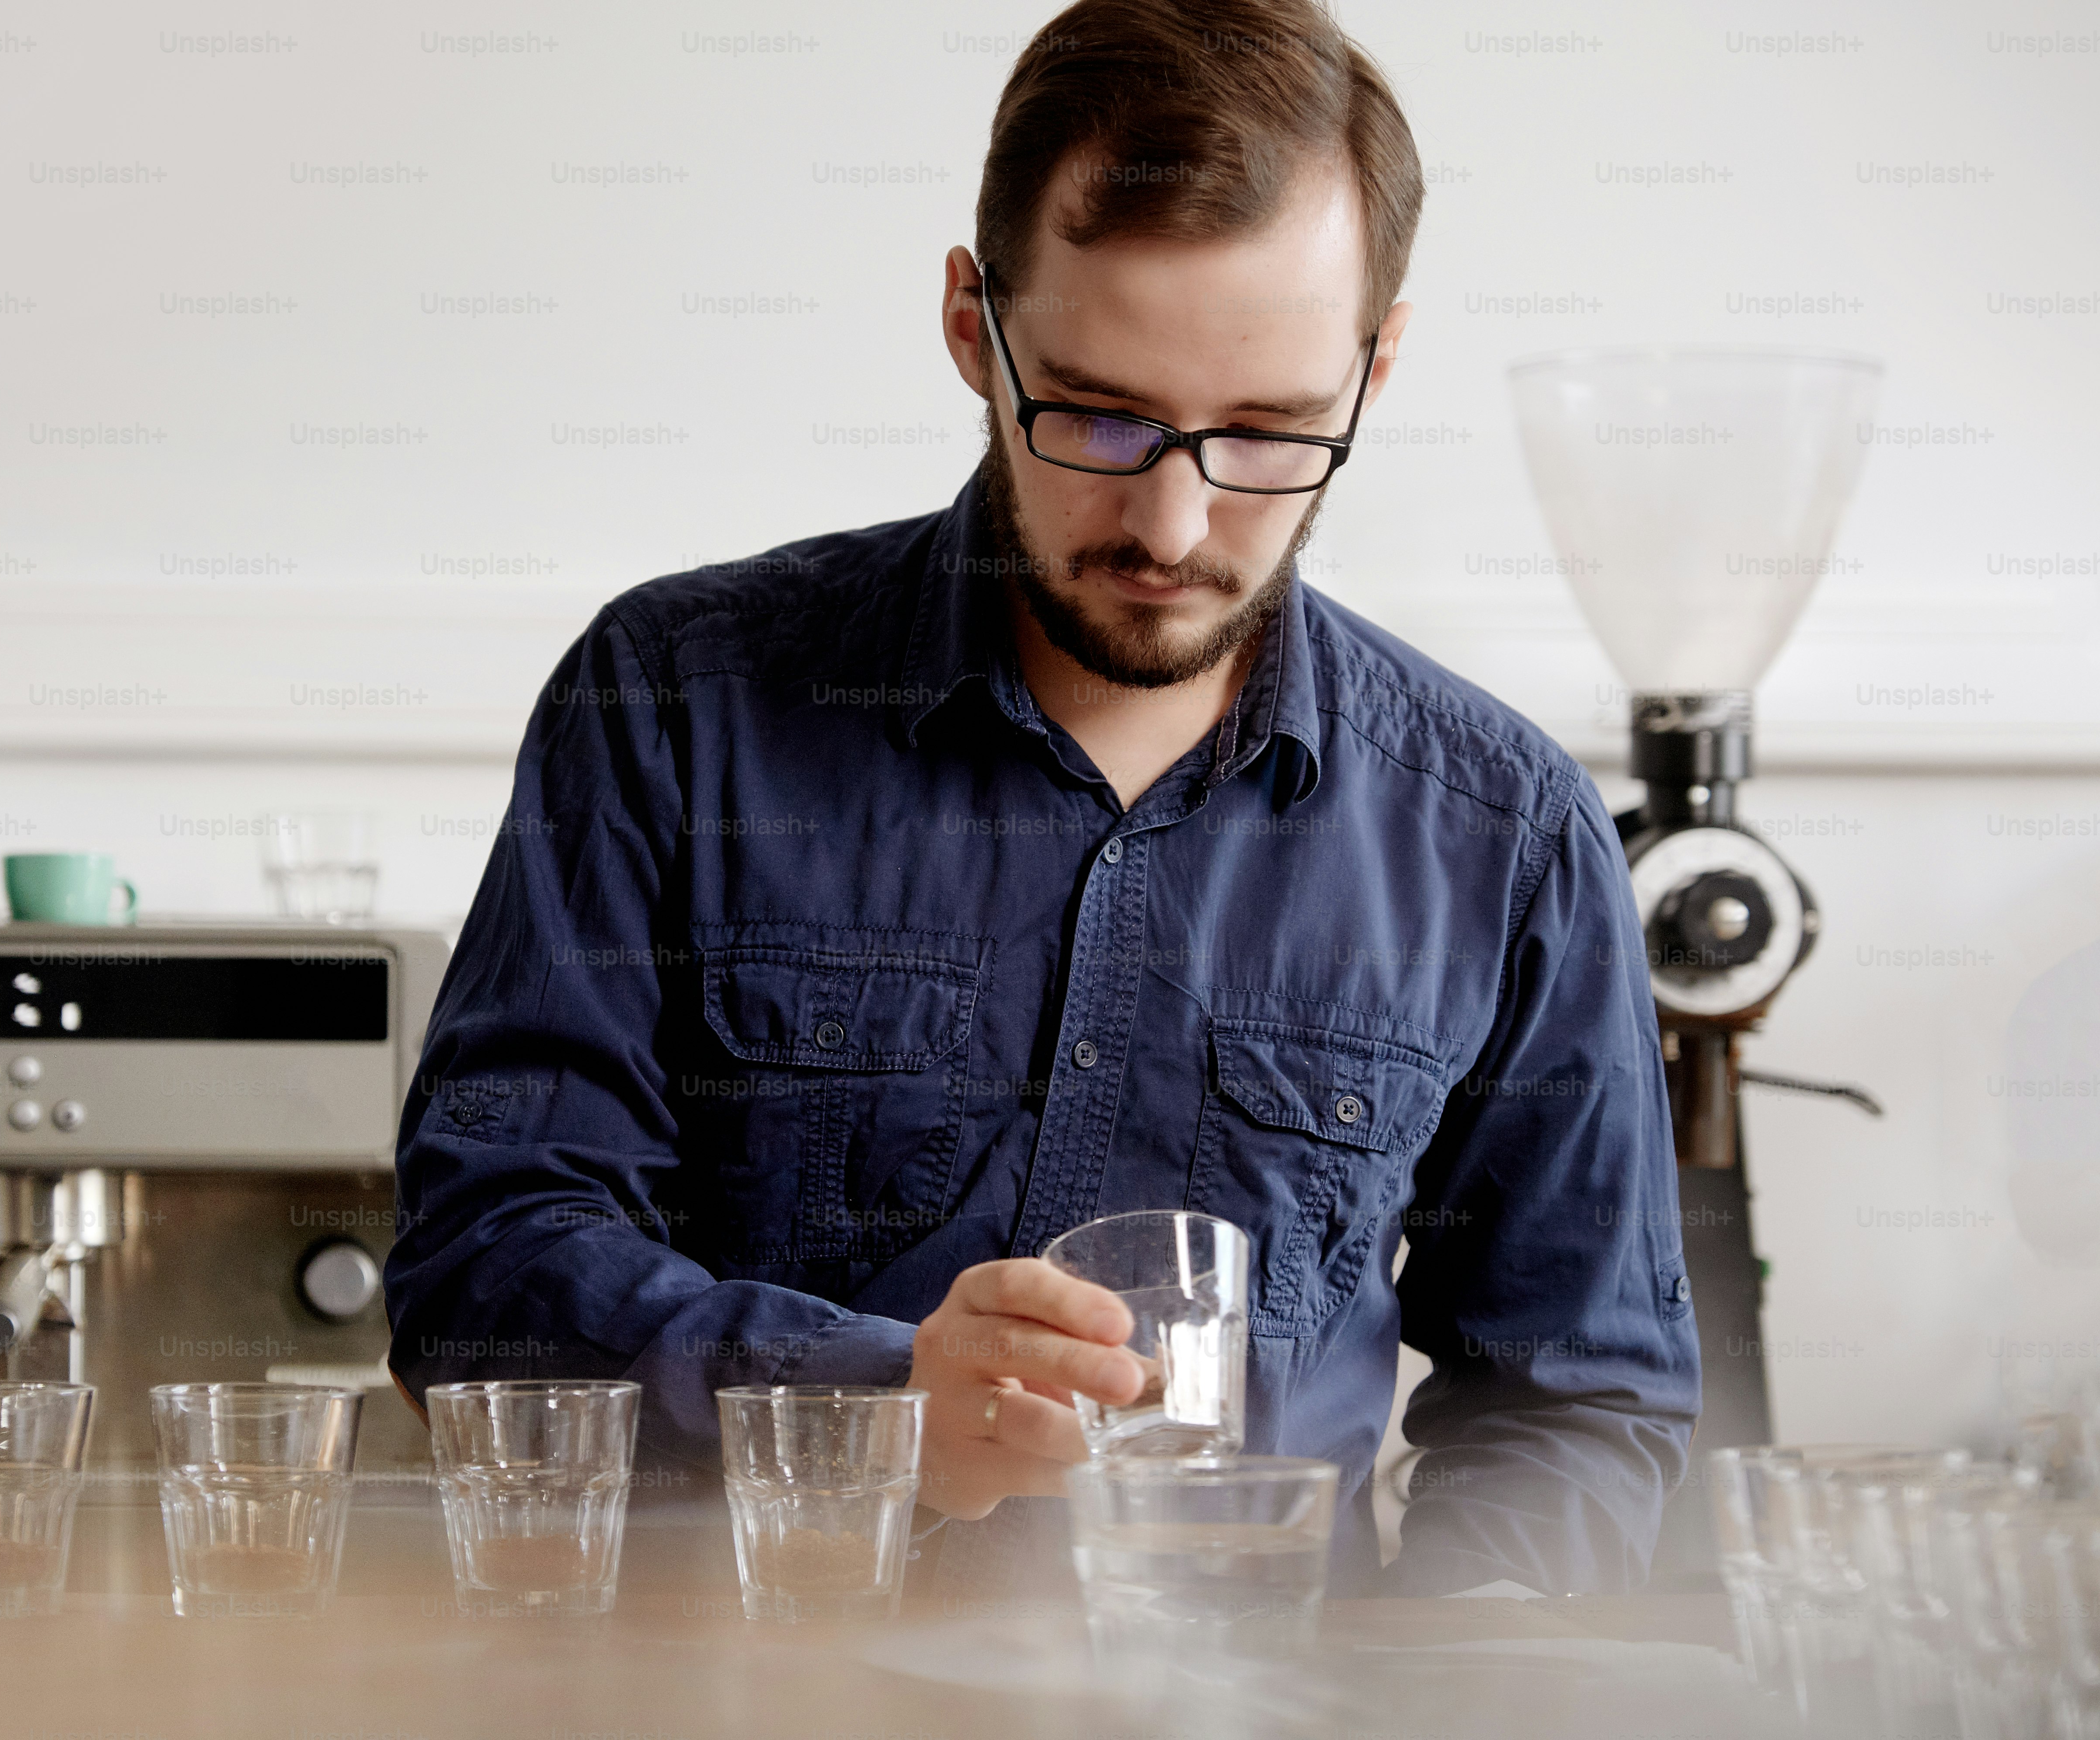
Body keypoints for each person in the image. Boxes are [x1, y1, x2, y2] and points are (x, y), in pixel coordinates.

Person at [385, 0, 1700, 1596]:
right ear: (968, 324)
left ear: (1379, 364)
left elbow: (1580, 1402)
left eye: (1273, 432)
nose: (1174, 518)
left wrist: (1465, 1656)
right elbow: (482, 1270)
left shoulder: (1507, 833)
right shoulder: (674, 702)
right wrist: (869, 1411)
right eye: (1097, 414)